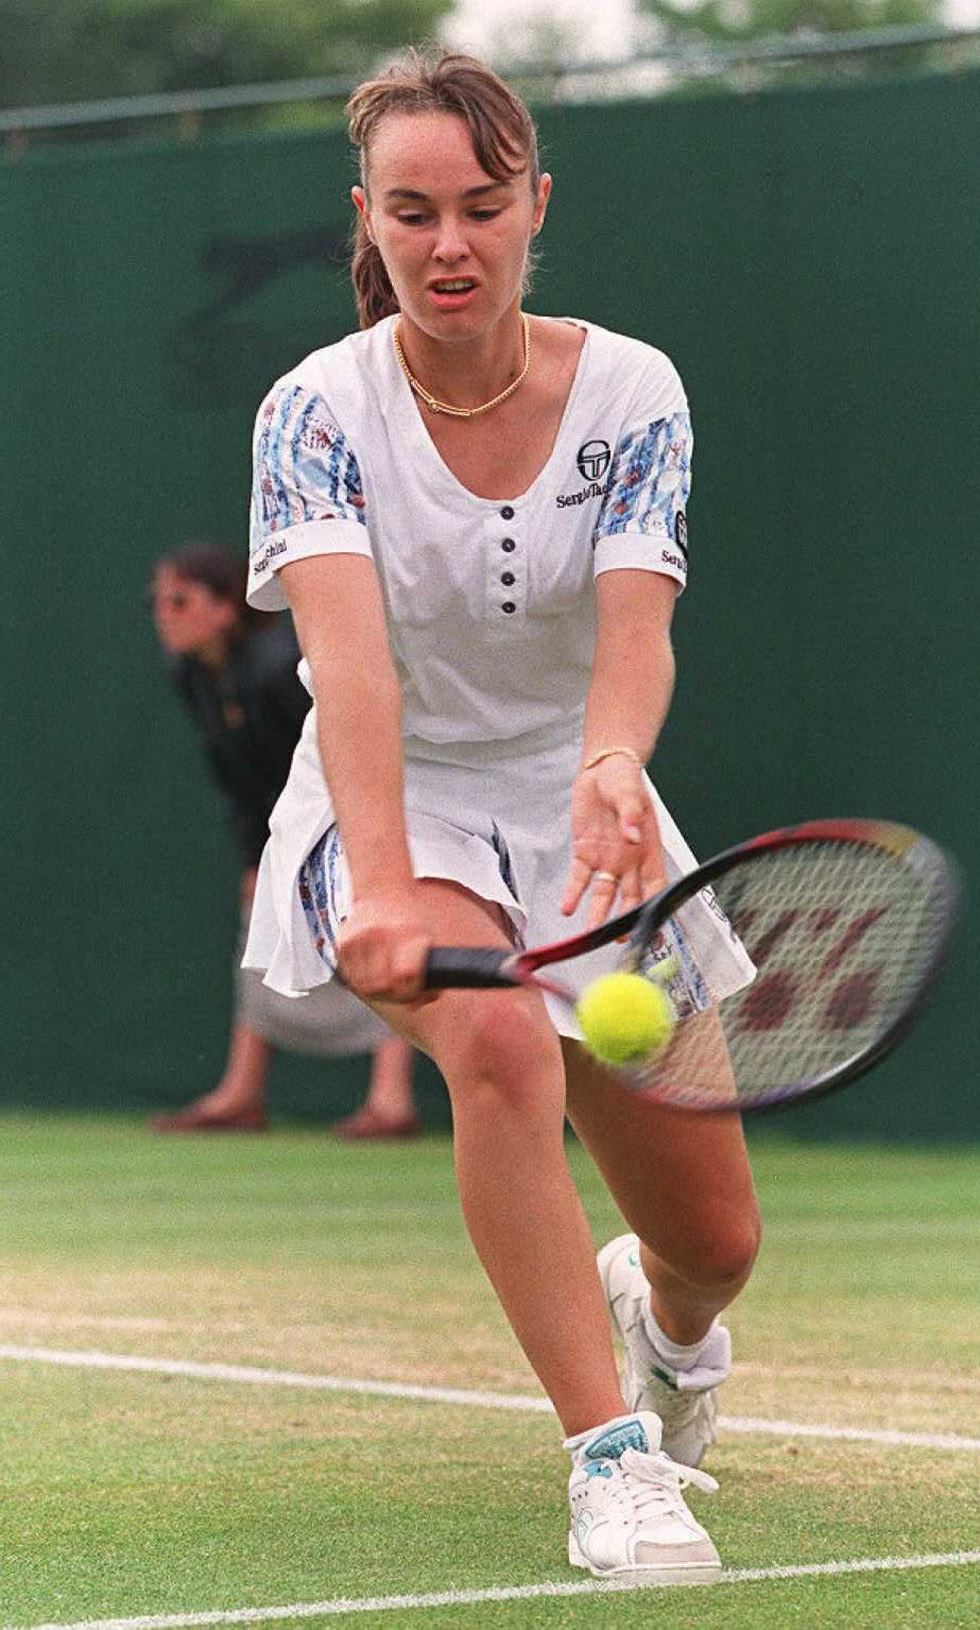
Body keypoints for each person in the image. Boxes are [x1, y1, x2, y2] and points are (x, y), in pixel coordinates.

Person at [243, 49, 761, 1584]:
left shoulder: (635, 390)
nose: (449, 243)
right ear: (367, 218)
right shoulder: (313, 410)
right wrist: (386, 887)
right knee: (499, 1043)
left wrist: (613, 764)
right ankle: (612, 1464)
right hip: (392, 792)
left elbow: (637, 626)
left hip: (584, 798)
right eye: (412, 212)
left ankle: (663, 1324)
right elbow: (350, 670)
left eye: (481, 206)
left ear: (538, 203)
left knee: (716, 1243)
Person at [147, 540, 419, 1138]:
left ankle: (391, 1101)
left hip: (358, 808)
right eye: (157, 602)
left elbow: (345, 747)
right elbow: (231, 772)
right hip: (282, 822)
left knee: (381, 937)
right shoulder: (191, 673)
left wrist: (362, 835)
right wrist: (257, 857)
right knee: (258, 932)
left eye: (179, 600)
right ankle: (241, 1093)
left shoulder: (278, 669)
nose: (164, 613)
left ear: (225, 607)